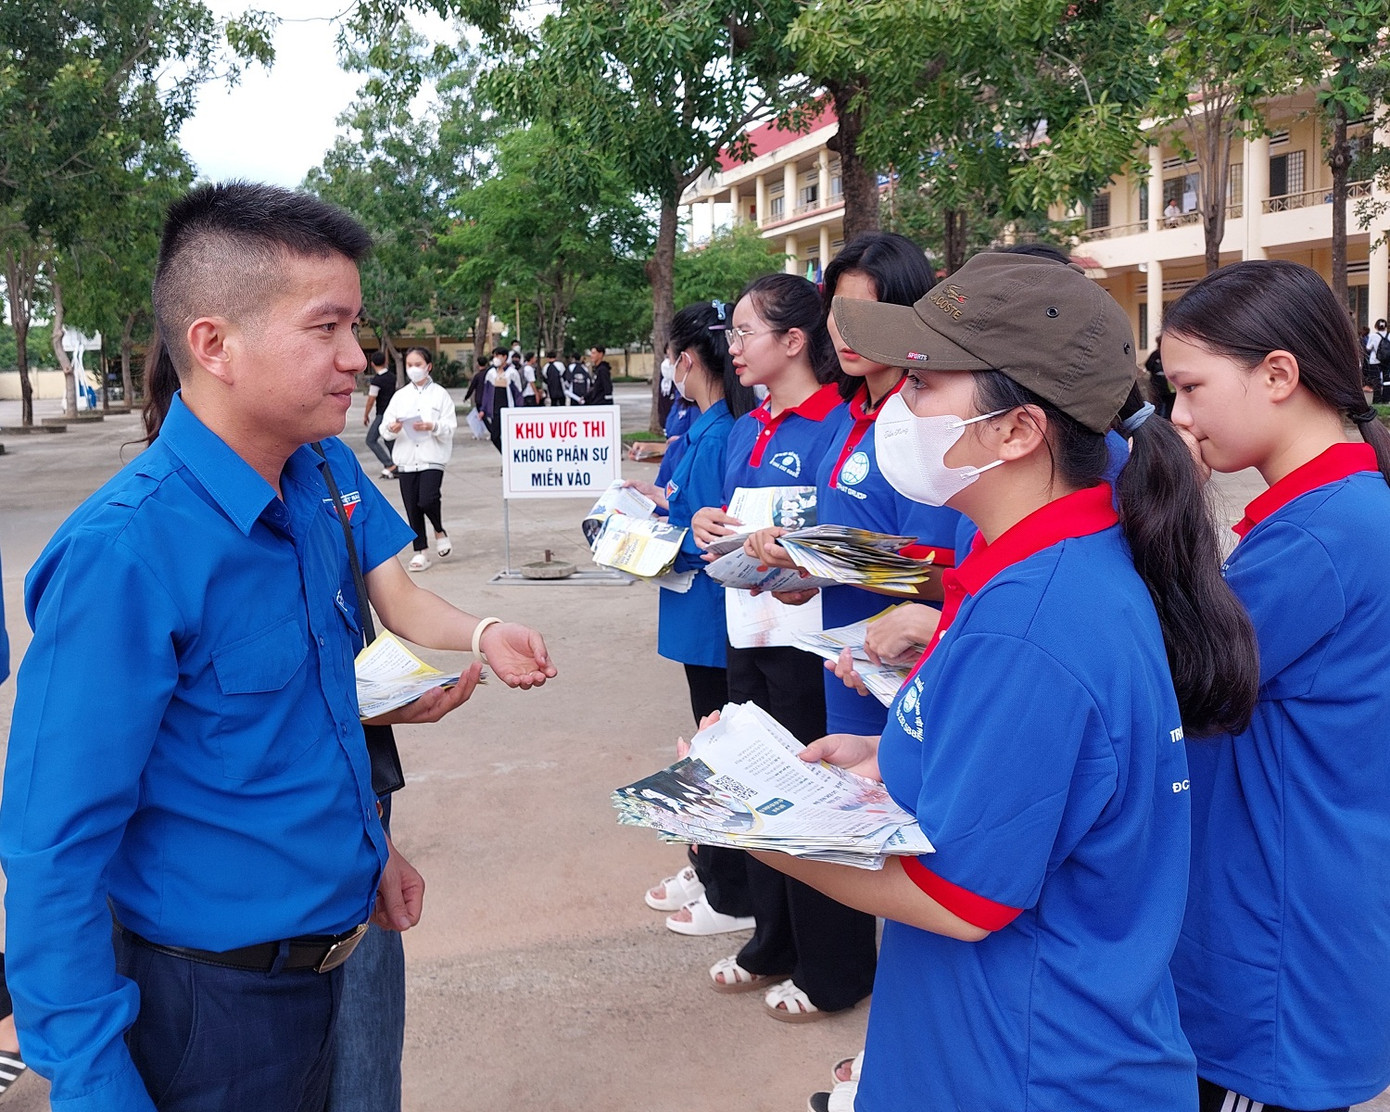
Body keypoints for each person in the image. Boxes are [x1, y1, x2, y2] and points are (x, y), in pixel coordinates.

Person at [0, 182, 556, 1112]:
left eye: (357, 328)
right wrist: (96, 1082)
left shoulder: (311, 487)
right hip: (205, 1010)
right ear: (214, 344)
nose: (357, 360)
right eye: (326, 329)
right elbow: (54, 846)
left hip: (333, 965)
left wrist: (364, 848)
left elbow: (307, 719)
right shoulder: (126, 556)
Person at [739, 249, 1259, 1110]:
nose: (897, 409)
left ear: (1018, 430)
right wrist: (882, 755)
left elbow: (961, 898)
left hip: (1024, 1065)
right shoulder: (1044, 564)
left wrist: (757, 827)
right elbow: (1048, 772)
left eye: (923, 384)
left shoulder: (1033, 619)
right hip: (1012, 1040)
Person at [1161, 261, 1390, 1112]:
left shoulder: (1323, 537)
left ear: (1280, 375)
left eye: (1189, 387)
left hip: (1279, 944)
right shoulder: (1325, 516)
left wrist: (1169, 511)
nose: (1179, 416)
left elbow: (1176, 678)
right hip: (1289, 911)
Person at [688, 273, 868, 1023]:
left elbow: (850, 542)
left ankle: (837, 967)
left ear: (794, 341)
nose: (731, 347)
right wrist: (705, 523)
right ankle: (773, 941)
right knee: (753, 786)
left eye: (743, 333)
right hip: (748, 633)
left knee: (817, 801)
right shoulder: (744, 427)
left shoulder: (840, 430)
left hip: (812, 642)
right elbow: (731, 520)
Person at [742, 232, 961, 743]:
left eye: (868, 311)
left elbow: (943, 576)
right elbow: (850, 539)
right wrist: (799, 572)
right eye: (837, 311)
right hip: (845, 668)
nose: (846, 330)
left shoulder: (931, 423)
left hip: (914, 671)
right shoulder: (848, 416)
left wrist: (814, 560)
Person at [627, 300, 759, 936]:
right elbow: (683, 508)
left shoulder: (719, 433)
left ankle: (729, 889)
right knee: (706, 743)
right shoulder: (704, 426)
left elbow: (712, 534)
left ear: (684, 361)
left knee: (716, 750)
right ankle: (709, 864)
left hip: (711, 615)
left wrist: (638, 539)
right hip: (695, 611)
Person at [380, 346, 456, 572]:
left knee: (427, 499)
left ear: (428, 366)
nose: (413, 369)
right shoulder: (400, 396)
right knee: (412, 506)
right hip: (406, 458)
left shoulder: (440, 394)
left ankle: (439, 530)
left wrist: (432, 426)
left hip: (432, 456)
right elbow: (385, 429)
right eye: (409, 365)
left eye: (418, 365)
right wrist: (393, 429)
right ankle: (420, 551)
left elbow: (450, 427)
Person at [362, 349, 399, 479]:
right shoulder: (393, 377)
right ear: (385, 362)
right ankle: (397, 464)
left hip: (382, 414)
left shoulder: (377, 381)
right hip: (394, 413)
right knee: (389, 440)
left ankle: (390, 464)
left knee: (371, 440)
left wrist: (366, 414)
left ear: (372, 364)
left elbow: (371, 400)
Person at [482, 346, 523, 453]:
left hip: (508, 409)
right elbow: (486, 393)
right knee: (494, 436)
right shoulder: (491, 373)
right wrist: (483, 409)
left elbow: (518, 393)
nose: (495, 358)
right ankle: (505, 455)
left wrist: (519, 409)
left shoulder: (512, 373)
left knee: (508, 437)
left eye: (498, 355)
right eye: (494, 356)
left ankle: (508, 461)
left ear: (505, 357)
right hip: (495, 410)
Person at [1367, 317, 1389, 404]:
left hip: (1374, 361)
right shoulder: (1389, 335)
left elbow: (1368, 347)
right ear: (1385, 326)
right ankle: (1386, 399)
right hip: (1387, 361)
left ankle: (1377, 399)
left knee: (1376, 380)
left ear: (1376, 326)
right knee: (1387, 380)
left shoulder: (1373, 336)